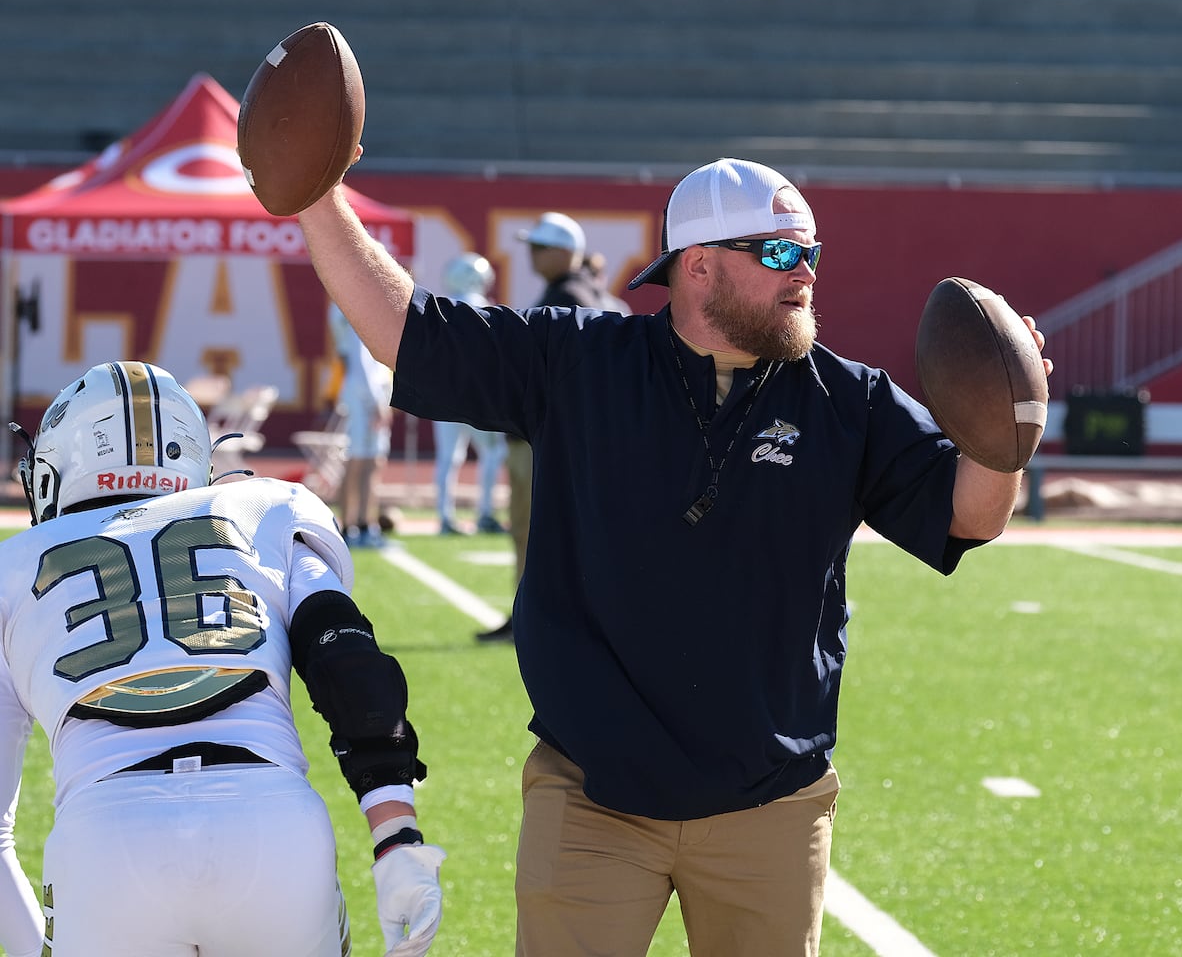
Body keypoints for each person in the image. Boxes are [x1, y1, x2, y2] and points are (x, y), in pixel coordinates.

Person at [295, 155, 1047, 956]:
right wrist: (315, 194)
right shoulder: (581, 362)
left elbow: (969, 516)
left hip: (771, 807)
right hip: (591, 799)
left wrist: (1006, 427)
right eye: (779, 253)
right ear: (699, 266)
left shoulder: (848, 399)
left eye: (811, 254)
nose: (805, 275)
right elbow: (405, 331)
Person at [0, 361, 444, 956]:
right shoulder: (264, 510)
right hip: (271, 827)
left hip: (105, 836)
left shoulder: (15, 567)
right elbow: (351, 668)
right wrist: (397, 840)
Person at [474, 213, 634, 642]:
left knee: (532, 530)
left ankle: (533, 618)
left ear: (565, 252)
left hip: (547, 437)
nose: (531, 255)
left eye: (540, 248)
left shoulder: (568, 296)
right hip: (583, 437)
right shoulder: (595, 293)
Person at [431, 252, 507, 536]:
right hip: (477, 395)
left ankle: (444, 515)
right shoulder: (485, 308)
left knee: (448, 458)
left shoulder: (441, 307)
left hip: (443, 393)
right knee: (493, 452)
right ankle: (485, 512)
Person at [329, 301, 395, 547]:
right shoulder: (351, 305)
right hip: (363, 394)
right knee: (360, 461)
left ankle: (362, 524)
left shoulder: (348, 306)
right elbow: (361, 358)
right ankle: (353, 525)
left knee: (368, 462)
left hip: (364, 391)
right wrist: (376, 400)